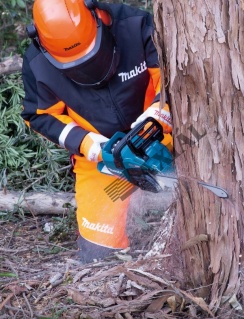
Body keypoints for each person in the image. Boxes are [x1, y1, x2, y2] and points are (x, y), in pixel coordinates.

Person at [21, 0, 172, 263]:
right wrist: (88, 144)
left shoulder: (135, 27)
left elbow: (174, 77)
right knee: (99, 254)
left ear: (98, 14)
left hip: (165, 134)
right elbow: (40, 116)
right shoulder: (38, 66)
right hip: (104, 161)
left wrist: (160, 113)